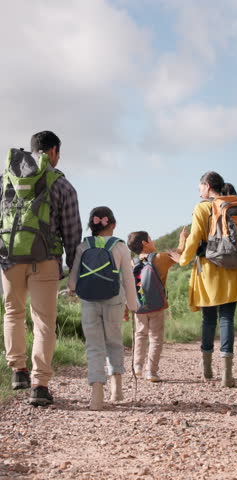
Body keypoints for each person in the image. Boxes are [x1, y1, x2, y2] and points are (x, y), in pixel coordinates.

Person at [0, 131, 82, 406]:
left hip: (9, 258)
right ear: (54, 151)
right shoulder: (61, 184)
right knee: (43, 321)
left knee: (14, 312)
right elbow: (72, 231)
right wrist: (73, 268)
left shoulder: (6, 179)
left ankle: (17, 371)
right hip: (45, 258)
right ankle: (40, 384)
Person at [169, 171, 237, 387]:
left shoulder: (203, 208)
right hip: (234, 271)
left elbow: (194, 239)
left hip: (209, 271)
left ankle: (207, 370)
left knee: (209, 320)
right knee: (227, 319)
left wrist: (182, 260)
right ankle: (227, 375)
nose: (199, 191)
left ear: (207, 186)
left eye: (199, 187)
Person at [68, 206, 137, 411]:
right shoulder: (120, 247)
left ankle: (96, 393)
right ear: (113, 224)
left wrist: (74, 289)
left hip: (89, 300)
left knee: (94, 346)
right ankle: (117, 389)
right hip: (114, 300)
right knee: (114, 341)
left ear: (92, 225)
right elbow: (128, 278)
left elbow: (73, 281)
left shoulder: (83, 246)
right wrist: (133, 305)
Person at [127, 228, 188, 382]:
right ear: (144, 243)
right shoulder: (160, 258)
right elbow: (179, 253)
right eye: (150, 239)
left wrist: (126, 308)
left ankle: (138, 366)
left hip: (139, 308)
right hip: (157, 306)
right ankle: (151, 372)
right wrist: (183, 238)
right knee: (155, 338)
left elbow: (126, 286)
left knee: (140, 335)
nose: (153, 241)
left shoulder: (131, 263)